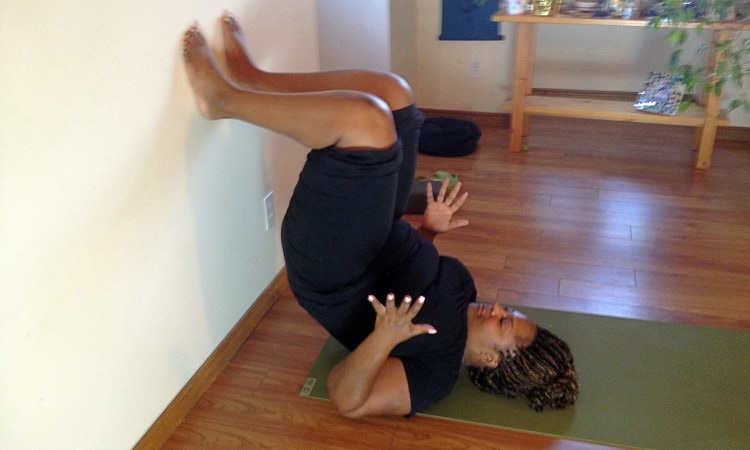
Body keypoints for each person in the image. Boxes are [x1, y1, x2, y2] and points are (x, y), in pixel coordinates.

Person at [182, 13, 578, 419]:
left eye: (502, 325)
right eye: (506, 310)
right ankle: (253, 78)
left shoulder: (436, 372)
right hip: (383, 235)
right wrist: (429, 229)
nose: (495, 309)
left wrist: (382, 339)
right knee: (394, 94)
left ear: (491, 360)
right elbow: (413, 276)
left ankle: (223, 100)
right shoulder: (465, 293)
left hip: (334, 273)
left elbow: (348, 398)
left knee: (366, 120)